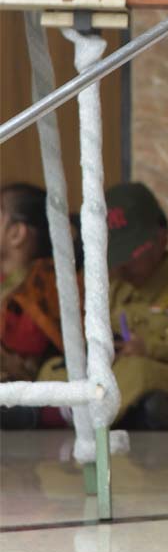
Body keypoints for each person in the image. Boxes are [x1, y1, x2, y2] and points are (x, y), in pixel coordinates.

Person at [40, 182, 168, 429]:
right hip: (117, 374)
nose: (123, 265)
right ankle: (135, 412)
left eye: (132, 255)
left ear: (162, 238)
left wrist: (150, 348)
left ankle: (64, 414)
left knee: (140, 372)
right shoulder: (116, 287)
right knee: (53, 367)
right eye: (117, 256)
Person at [0, 183, 72, 429]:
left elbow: (27, 342)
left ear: (16, 233)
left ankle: (36, 413)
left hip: (27, 377)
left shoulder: (46, 281)